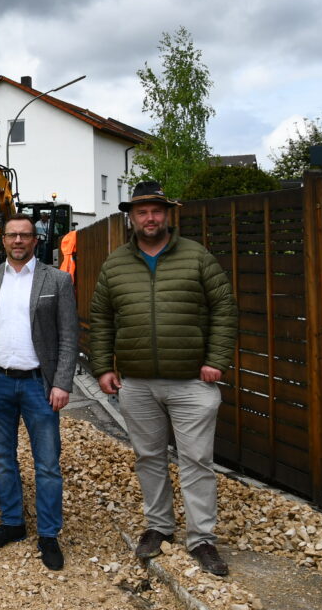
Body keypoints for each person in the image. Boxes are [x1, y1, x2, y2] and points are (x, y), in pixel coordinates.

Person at [90, 181, 237, 576]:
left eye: (156, 211)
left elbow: (224, 308)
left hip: (192, 382)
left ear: (167, 215)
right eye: (142, 212)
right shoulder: (115, 264)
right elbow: (102, 319)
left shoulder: (197, 257)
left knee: (197, 460)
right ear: (131, 218)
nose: (150, 218)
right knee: (149, 458)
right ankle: (159, 527)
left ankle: (201, 538)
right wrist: (103, 367)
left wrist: (216, 360)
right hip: (137, 383)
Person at [0, 213, 78, 571]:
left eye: (25, 235)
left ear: (36, 240)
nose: (18, 241)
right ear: (3, 240)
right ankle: (13, 523)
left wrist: (62, 382)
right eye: (12, 235)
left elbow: (69, 336)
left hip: (39, 385)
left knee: (47, 464)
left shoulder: (57, 280)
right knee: (2, 458)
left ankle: (48, 534)